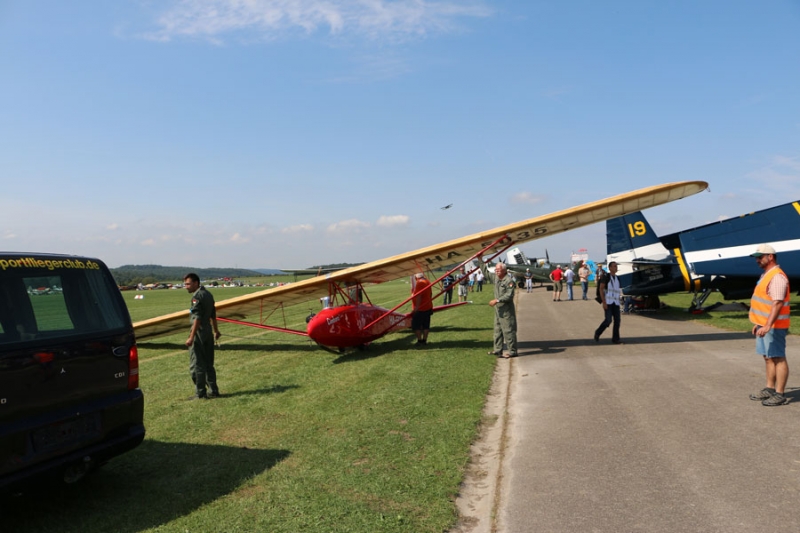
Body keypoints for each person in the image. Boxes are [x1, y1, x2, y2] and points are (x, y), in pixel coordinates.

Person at [748, 244, 791, 406]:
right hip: (764, 325)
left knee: (778, 357)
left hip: (775, 326)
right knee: (768, 358)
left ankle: (779, 393)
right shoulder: (766, 274)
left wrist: (767, 325)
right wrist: (759, 324)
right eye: (756, 257)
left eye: (760, 257)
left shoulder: (777, 277)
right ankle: (769, 388)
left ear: (770, 257)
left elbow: (777, 303)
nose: (757, 260)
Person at [184, 273, 222, 399]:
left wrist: (191, 337)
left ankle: (200, 393)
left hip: (199, 331)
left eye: (188, 284)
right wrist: (216, 331)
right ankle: (214, 390)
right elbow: (213, 315)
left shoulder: (197, 297)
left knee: (197, 364)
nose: (186, 287)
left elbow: (197, 319)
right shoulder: (208, 295)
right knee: (208, 363)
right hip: (208, 331)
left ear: (196, 283)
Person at [488, 263, 517, 358]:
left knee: (508, 330)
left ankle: (512, 352)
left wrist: (497, 300)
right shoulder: (496, 278)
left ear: (504, 271)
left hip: (506, 310)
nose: (496, 271)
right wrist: (480, 260)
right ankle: (497, 350)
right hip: (498, 310)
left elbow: (509, 295)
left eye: (498, 270)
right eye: (496, 269)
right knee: (497, 330)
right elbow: (486, 273)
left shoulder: (509, 281)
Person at [593, 261, 622, 344]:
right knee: (608, 320)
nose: (616, 268)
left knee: (617, 320)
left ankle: (616, 338)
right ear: (609, 268)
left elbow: (618, 290)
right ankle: (598, 332)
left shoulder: (617, 278)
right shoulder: (605, 277)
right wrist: (604, 302)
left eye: (616, 266)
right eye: (614, 266)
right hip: (608, 302)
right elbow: (601, 289)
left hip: (615, 302)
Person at [411, 273, 433, 345]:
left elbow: (418, 296)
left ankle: (420, 341)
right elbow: (430, 294)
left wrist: (416, 308)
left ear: (416, 277)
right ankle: (424, 340)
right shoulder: (427, 281)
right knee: (426, 325)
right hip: (428, 307)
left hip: (421, 309)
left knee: (416, 325)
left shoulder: (420, 283)